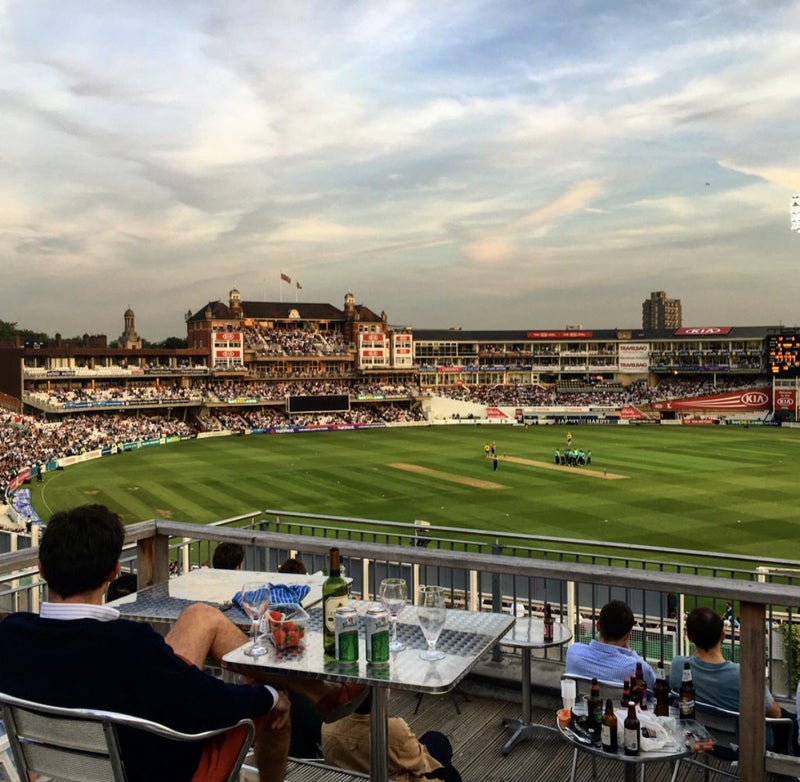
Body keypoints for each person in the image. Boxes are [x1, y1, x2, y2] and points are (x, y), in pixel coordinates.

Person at [0, 504, 366, 782]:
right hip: (158, 770)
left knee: (200, 616)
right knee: (272, 711)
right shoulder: (129, 646)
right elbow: (208, 704)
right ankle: (308, 693)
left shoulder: (11, 635)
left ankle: (320, 693)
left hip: (60, 767)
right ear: (114, 571)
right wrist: (271, 695)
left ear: (43, 570)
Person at [671, 607, 793, 753]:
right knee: (789, 720)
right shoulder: (744, 675)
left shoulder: (678, 667)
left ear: (689, 637)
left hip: (699, 742)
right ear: (723, 635)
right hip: (744, 749)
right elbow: (775, 713)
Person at [321, 692, 462, 782]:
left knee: (435, 739)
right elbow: (420, 764)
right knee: (450, 772)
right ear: (378, 693)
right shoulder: (391, 729)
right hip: (390, 777)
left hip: (348, 775)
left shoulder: (330, 722)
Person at [565, 599, 656, 688]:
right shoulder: (639, 669)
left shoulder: (573, 653)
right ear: (627, 636)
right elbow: (653, 684)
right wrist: (630, 651)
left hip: (582, 703)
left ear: (598, 626)